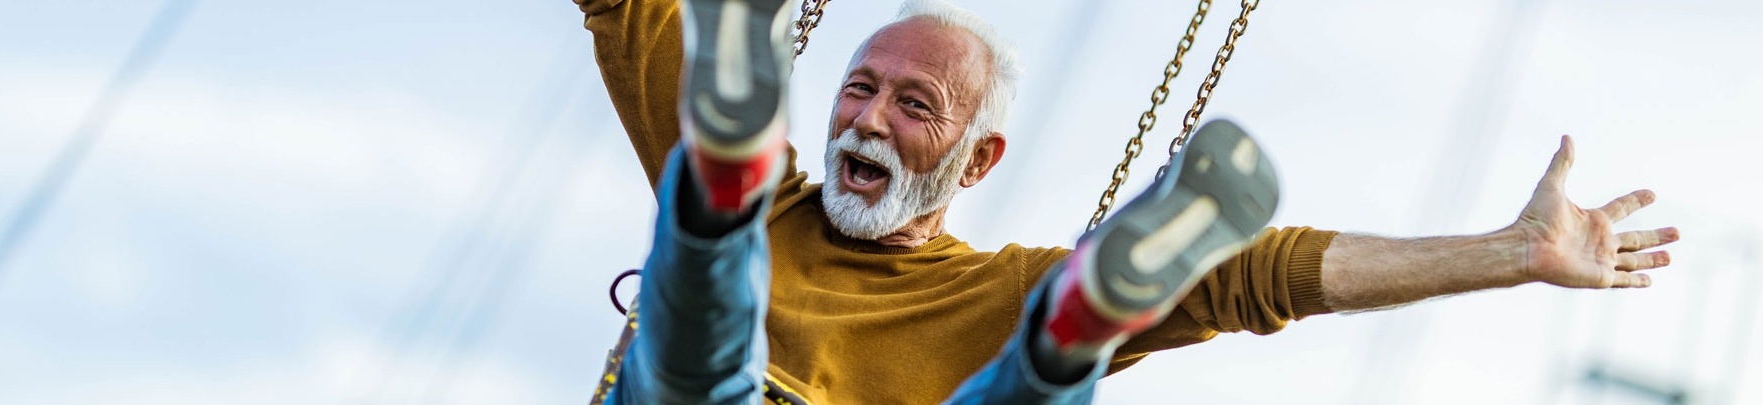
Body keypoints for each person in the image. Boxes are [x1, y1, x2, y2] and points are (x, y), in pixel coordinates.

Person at [575, 0, 1683, 403]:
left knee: (696, 339)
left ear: (980, 154)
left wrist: (1509, 248)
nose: (867, 119)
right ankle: (1074, 341)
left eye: (914, 105)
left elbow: (1262, 273)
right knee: (710, 309)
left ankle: (1073, 331)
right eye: (857, 88)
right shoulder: (802, 212)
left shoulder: (985, 288)